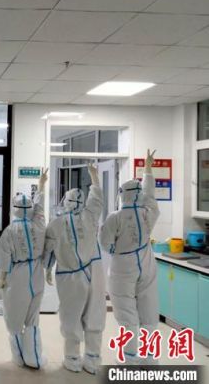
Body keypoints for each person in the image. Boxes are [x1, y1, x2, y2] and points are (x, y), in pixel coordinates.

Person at [99, 150, 160, 366]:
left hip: (123, 266)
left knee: (126, 310)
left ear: (122, 194)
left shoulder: (115, 217)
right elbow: (151, 197)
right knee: (149, 308)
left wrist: (118, 248)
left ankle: (130, 357)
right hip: (146, 262)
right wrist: (148, 169)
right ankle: (149, 357)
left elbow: (105, 242)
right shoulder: (148, 213)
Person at [45, 164, 106, 374]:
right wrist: (94, 177)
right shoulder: (90, 216)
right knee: (94, 313)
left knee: (71, 316)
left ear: (66, 201)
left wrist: (47, 269)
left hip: (69, 276)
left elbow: (48, 251)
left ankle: (72, 358)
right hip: (93, 272)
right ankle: (93, 359)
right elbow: (97, 199)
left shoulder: (56, 224)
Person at [0, 169, 48, 369]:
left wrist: (2, 280)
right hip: (37, 272)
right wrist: (41, 185)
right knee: (33, 317)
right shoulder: (39, 225)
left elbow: (4, 259)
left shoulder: (9, 231)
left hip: (17, 276)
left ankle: (19, 358)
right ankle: (34, 358)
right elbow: (40, 208)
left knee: (15, 318)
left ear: (15, 209)